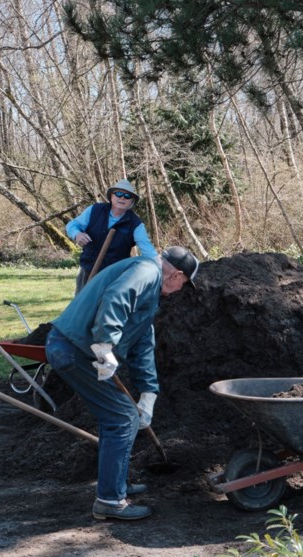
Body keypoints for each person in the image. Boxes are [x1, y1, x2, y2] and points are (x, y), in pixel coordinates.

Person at [44, 246, 200, 520]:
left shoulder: (150, 294)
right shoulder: (146, 270)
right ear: (176, 275)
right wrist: (105, 345)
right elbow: (116, 298)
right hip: (73, 348)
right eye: (183, 285)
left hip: (75, 349)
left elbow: (143, 344)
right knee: (122, 417)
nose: (179, 291)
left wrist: (148, 393)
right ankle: (110, 500)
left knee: (116, 416)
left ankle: (116, 486)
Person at [65, 178, 158, 294]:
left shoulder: (135, 224)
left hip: (114, 276)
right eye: (118, 194)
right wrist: (77, 234)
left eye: (127, 196)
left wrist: (160, 270)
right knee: (80, 308)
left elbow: (148, 251)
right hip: (88, 270)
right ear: (111, 196)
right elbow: (72, 225)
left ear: (132, 202)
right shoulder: (95, 210)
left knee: (105, 310)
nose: (122, 198)